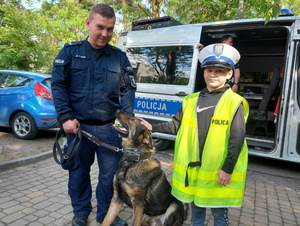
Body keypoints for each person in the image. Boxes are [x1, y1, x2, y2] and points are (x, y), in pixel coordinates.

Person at [140, 44, 249, 226]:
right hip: (195, 173)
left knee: (219, 214)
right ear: (203, 72)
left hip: (218, 173)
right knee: (196, 210)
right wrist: (152, 127)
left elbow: (236, 140)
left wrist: (227, 169)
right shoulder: (191, 100)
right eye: (209, 70)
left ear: (230, 74)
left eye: (220, 71)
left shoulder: (234, 102)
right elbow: (175, 125)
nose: (213, 74)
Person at [51, 4, 136, 226]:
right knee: (78, 174)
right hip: (78, 129)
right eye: (100, 27)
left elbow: (128, 90)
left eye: (110, 29)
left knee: (110, 178)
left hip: (110, 128)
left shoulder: (119, 58)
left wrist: (125, 122)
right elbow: (58, 86)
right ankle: (81, 211)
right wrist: (66, 116)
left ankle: (106, 214)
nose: (105, 34)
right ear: (88, 24)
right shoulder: (69, 52)